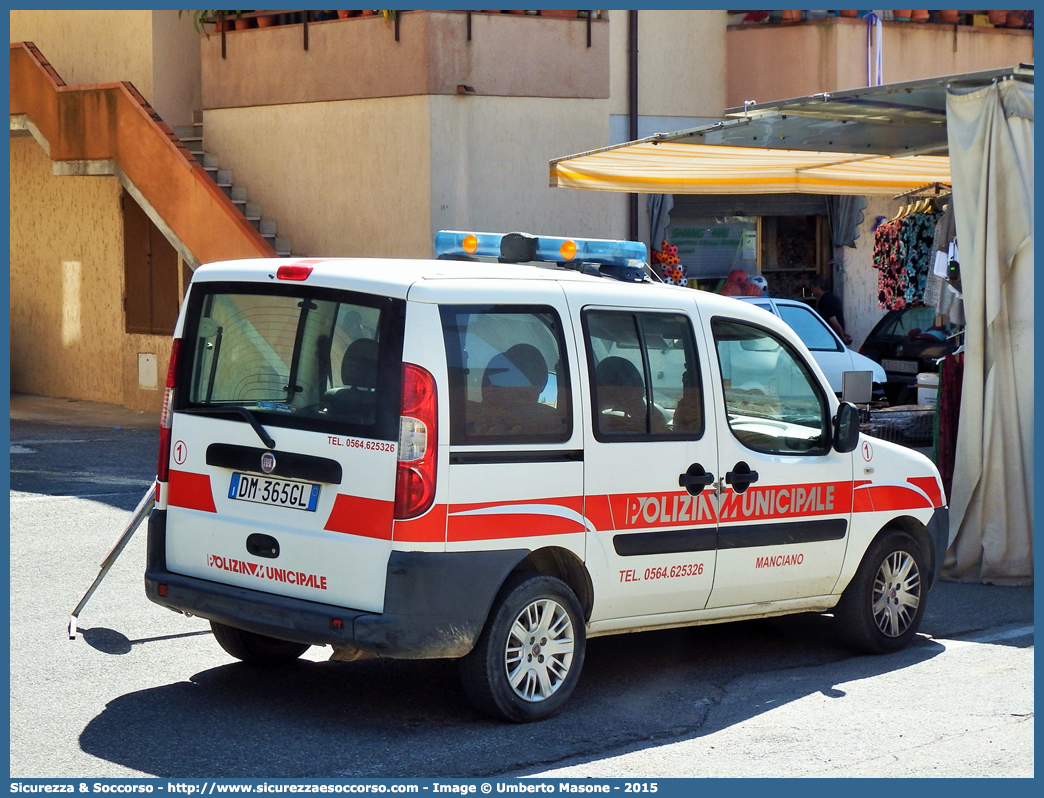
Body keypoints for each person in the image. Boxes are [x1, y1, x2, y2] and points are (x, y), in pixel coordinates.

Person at [810, 275, 853, 346]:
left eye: (812, 287)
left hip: (831, 341)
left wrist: (842, 338)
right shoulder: (832, 298)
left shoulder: (825, 301)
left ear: (817, 286)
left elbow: (834, 322)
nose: (811, 289)